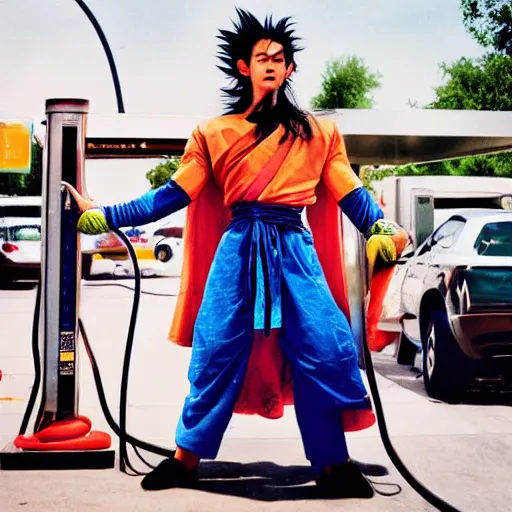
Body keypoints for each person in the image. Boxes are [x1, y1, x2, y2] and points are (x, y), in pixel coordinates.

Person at [69, 8, 407, 498]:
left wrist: (383, 228)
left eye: (280, 58)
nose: (272, 63)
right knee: (216, 352)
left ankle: (333, 465)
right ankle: (185, 461)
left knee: (327, 351)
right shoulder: (212, 132)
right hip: (238, 250)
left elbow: (350, 194)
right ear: (243, 68)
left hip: (295, 250)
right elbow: (170, 196)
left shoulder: (321, 133)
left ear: (290, 70)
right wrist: (105, 216)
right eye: (261, 57)